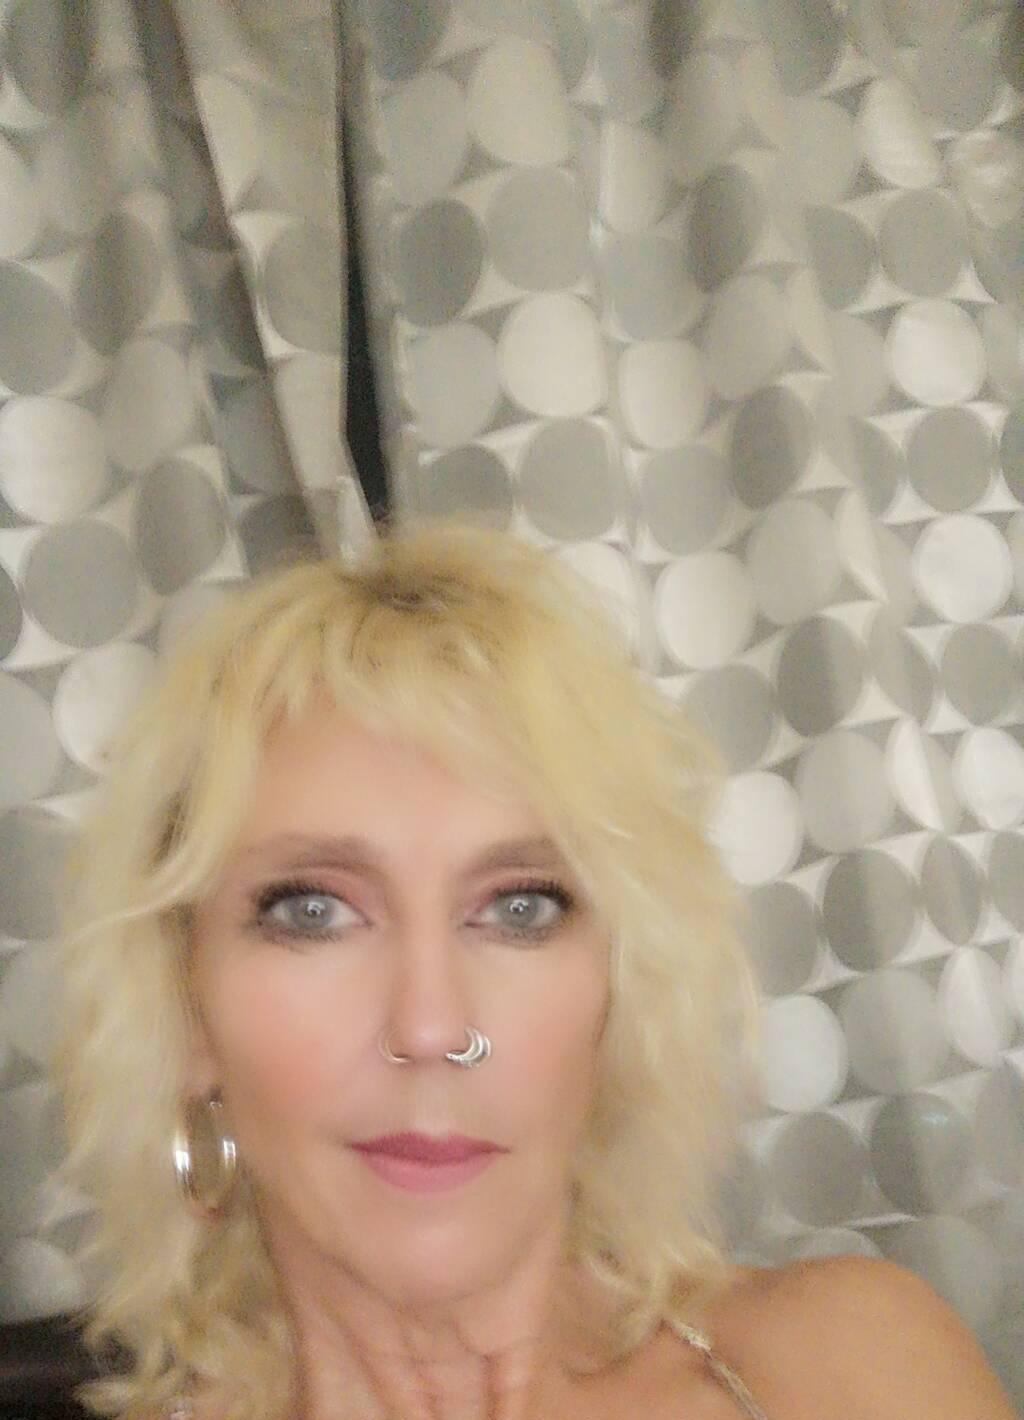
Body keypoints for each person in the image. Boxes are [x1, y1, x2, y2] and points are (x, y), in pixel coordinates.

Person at [54, 520, 1016, 1420]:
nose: (431, 1028)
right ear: (185, 1007)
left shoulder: (854, 1363)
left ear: (617, 989)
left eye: (521, 908)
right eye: (313, 911)